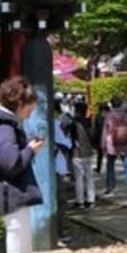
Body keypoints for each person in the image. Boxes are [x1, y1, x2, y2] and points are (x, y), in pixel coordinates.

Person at [0, 76, 44, 253]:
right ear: (19, 103)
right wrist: (30, 150)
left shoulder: (2, 125)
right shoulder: (4, 128)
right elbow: (9, 163)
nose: (29, 115)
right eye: (29, 110)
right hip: (11, 196)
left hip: (11, 196)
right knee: (17, 248)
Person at [102, 96, 127, 198]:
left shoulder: (109, 115)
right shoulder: (125, 115)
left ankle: (110, 187)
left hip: (111, 143)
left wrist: (103, 144)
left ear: (111, 104)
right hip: (124, 142)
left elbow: (105, 131)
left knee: (110, 166)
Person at [53, 101, 73, 245]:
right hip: (56, 168)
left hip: (52, 167)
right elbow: (65, 144)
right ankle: (60, 233)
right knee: (60, 202)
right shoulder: (53, 124)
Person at [70, 101, 95, 209]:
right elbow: (94, 136)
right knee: (89, 176)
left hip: (77, 153)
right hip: (88, 151)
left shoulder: (73, 124)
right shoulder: (89, 122)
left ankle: (79, 201)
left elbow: (71, 138)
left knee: (79, 178)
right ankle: (91, 199)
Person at [92, 103, 110, 174]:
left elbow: (97, 127)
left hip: (100, 137)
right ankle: (108, 168)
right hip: (107, 137)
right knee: (107, 154)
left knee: (100, 154)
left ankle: (98, 168)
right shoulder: (109, 116)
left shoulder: (97, 116)